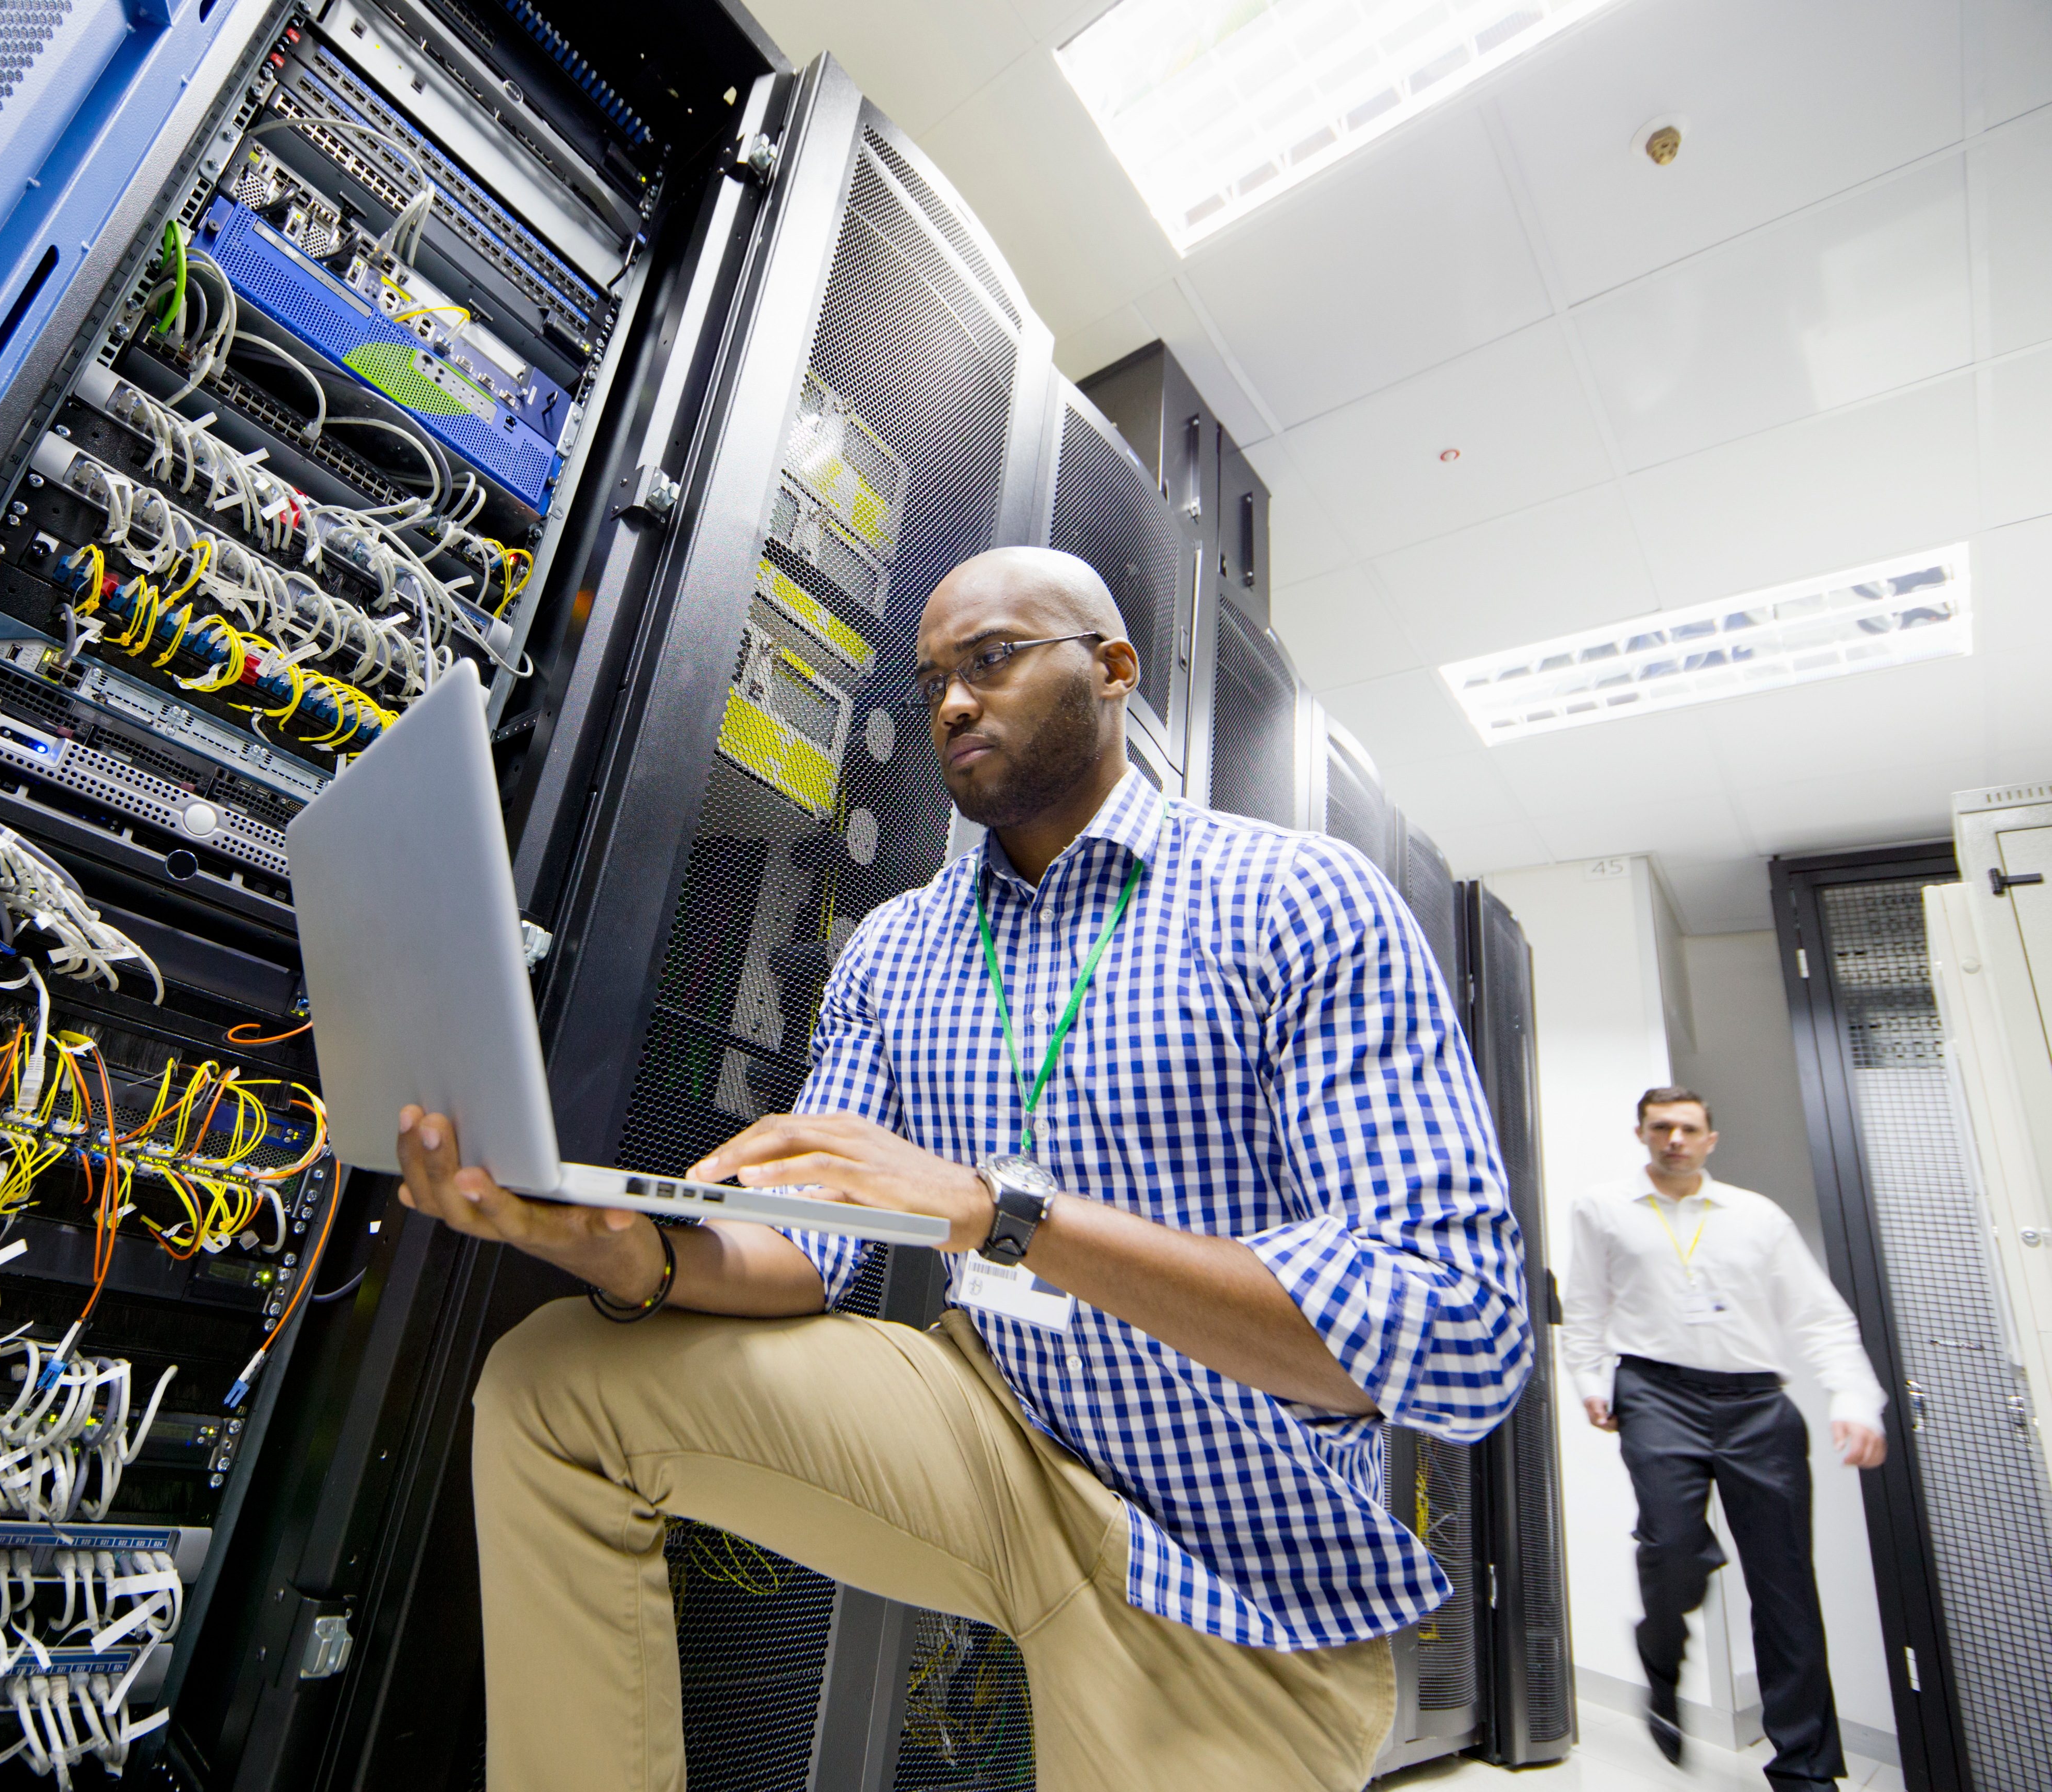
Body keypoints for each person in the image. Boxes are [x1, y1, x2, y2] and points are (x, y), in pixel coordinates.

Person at [395, 545, 1531, 1791]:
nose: (948, 703)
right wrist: (640, 1255)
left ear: (1111, 669)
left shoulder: (1292, 900)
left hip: (1236, 1572)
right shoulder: (899, 949)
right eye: (935, 675)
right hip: (995, 1436)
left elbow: (1459, 1334)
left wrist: (1005, 1216)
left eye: (989, 660)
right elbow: (809, 1250)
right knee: (556, 1383)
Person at [1564, 1087, 1888, 1788]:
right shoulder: (1602, 1209)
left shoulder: (1757, 1218)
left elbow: (1820, 1319)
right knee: (1672, 1548)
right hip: (1654, 1395)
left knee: (1786, 1591)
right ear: (1642, 1135)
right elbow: (1586, 1304)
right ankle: (1662, 1656)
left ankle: (1805, 1770)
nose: (1675, 1139)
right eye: (1661, 1128)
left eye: (1688, 1128)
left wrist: (1856, 1399)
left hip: (1756, 1405)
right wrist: (1590, 1381)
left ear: (1711, 1138)